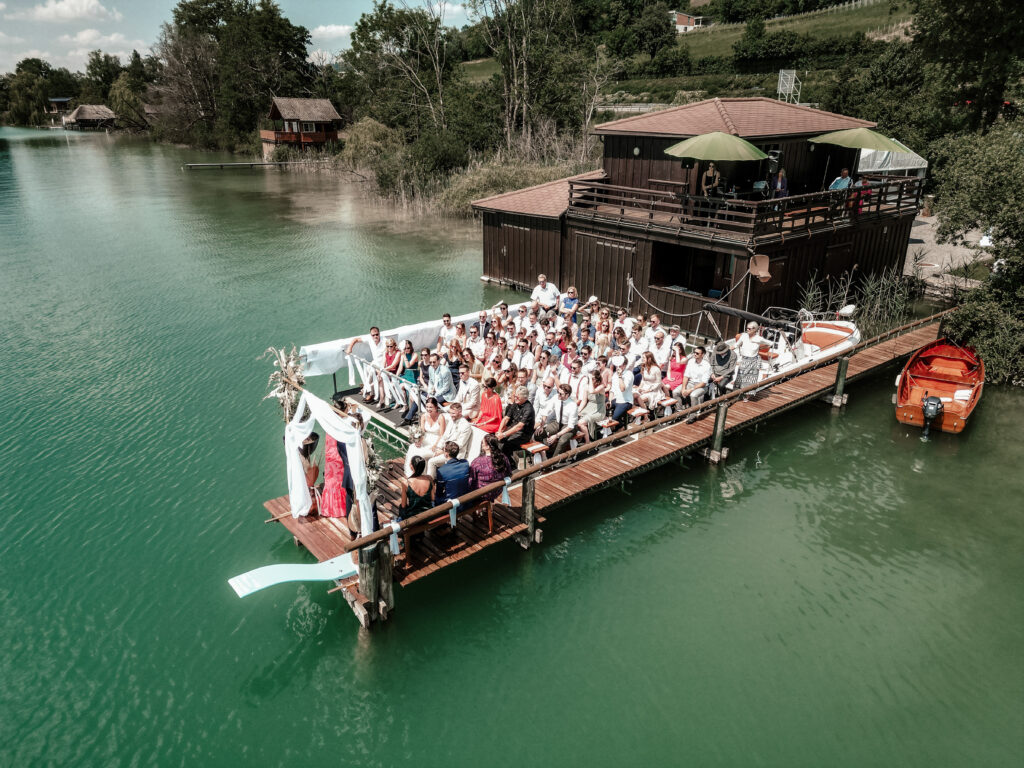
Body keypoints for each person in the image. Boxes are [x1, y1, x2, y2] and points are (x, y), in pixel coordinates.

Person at [319, 434, 355, 520]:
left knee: (336, 471)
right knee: (337, 470)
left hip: (333, 440)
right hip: (336, 441)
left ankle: (332, 507)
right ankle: (341, 507)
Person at [537, 383, 578, 458]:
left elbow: (570, 426)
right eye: (558, 392)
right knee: (538, 434)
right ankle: (546, 453)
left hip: (569, 427)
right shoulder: (556, 397)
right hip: (558, 423)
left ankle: (553, 461)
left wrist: (556, 436)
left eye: (561, 394)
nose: (558, 394)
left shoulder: (573, 405)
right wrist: (541, 426)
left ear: (567, 395)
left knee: (562, 441)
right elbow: (546, 411)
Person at [346, 326, 385, 403]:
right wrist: (350, 348)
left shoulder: (384, 341)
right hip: (376, 362)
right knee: (367, 370)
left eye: (377, 334)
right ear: (371, 335)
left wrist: (380, 369)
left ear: (379, 334)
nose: (375, 336)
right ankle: (370, 391)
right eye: (373, 335)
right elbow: (356, 339)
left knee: (371, 372)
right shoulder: (370, 339)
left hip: (383, 364)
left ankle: (368, 390)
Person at [496, 386, 535, 461]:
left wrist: (504, 434)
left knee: (505, 444)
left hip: (523, 434)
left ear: (525, 398)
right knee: (497, 441)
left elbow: (519, 427)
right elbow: (506, 418)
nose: (516, 398)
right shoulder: (516, 403)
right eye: (515, 396)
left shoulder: (528, 409)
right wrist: (500, 431)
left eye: (518, 397)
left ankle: (509, 463)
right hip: (513, 428)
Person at [469, 434, 512, 502]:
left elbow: (471, 481)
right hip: (497, 490)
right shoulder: (503, 457)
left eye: (482, 442)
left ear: (488, 447)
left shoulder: (477, 462)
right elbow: (509, 473)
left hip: (482, 493)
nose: (481, 444)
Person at [677, 346, 712, 421]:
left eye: (697, 353)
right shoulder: (691, 361)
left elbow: (704, 383)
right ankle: (679, 413)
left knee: (693, 395)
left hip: (702, 386)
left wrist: (690, 390)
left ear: (702, 355)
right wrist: (683, 389)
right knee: (675, 392)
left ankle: (693, 416)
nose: (694, 354)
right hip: (691, 382)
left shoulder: (707, 365)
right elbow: (686, 376)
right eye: (694, 352)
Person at [735, 321, 767, 397]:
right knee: (740, 377)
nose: (747, 330)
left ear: (755, 329)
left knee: (751, 380)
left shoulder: (758, 338)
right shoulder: (744, 336)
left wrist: (759, 347)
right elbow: (736, 345)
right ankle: (737, 393)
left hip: (753, 361)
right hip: (744, 360)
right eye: (747, 328)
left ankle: (747, 396)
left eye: (749, 329)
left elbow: (770, 343)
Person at [399, 455, 434, 520]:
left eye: (410, 463)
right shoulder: (429, 479)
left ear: (412, 466)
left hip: (413, 517)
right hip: (428, 515)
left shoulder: (406, 483)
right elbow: (433, 498)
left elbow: (403, 505)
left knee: (401, 507)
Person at [419, 397, 448, 476]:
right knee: (415, 450)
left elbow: (442, 435)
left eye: (431, 407)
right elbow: (422, 432)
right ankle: (420, 475)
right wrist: (419, 440)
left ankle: (428, 477)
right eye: (427, 407)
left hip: (437, 441)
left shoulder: (441, 417)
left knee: (423, 455)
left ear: (436, 407)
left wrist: (435, 445)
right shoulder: (423, 416)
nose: (428, 409)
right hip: (426, 439)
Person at [578, 370, 607, 441]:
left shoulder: (601, 387)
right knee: (576, 417)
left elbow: (592, 391)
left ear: (597, 379)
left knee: (580, 423)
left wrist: (590, 379)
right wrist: (578, 410)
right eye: (590, 378)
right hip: (589, 408)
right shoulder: (586, 386)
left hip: (599, 410)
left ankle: (588, 442)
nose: (590, 380)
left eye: (592, 379)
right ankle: (580, 438)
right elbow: (584, 401)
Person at [609, 357, 633, 428]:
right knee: (604, 410)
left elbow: (623, 389)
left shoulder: (629, 374)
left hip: (625, 401)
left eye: (620, 365)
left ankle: (621, 427)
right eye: (617, 365)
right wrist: (610, 400)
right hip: (615, 399)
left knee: (614, 418)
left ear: (625, 365)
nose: (618, 367)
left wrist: (620, 376)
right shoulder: (614, 374)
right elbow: (612, 389)